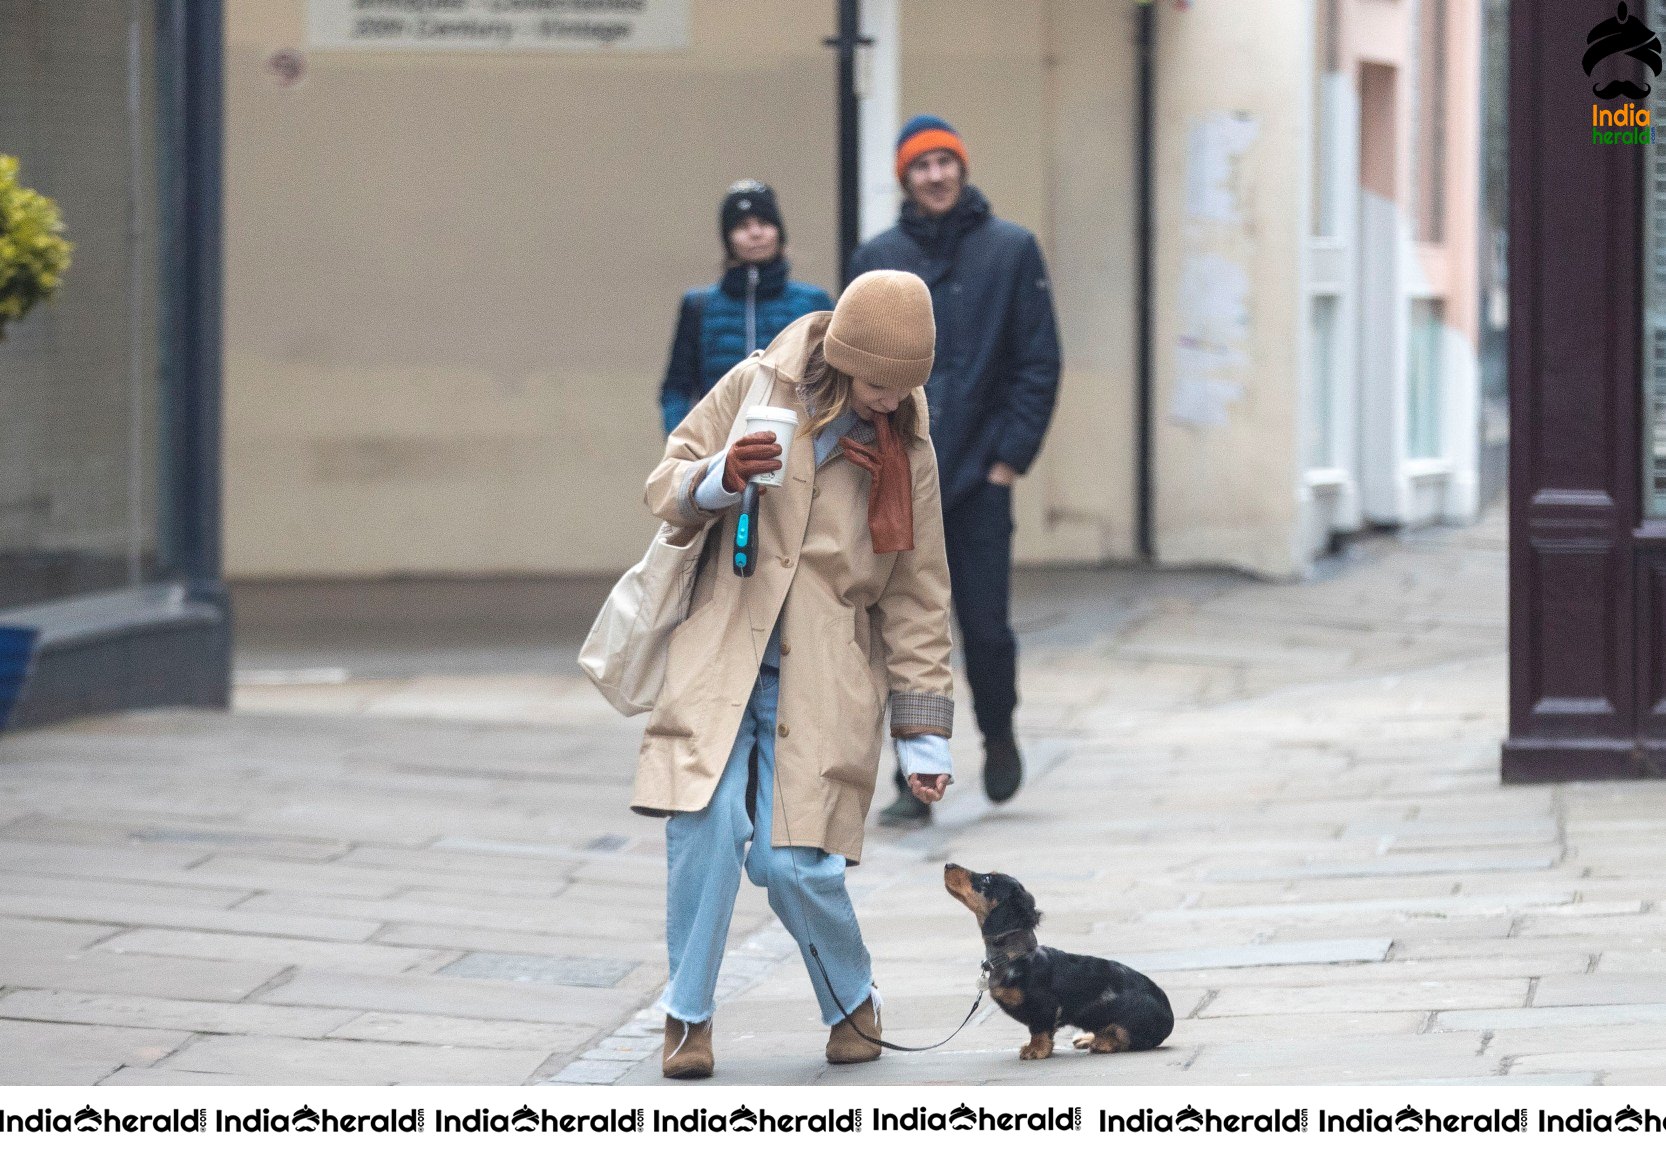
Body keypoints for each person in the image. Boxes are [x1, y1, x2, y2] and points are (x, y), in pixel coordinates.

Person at [635, 271, 956, 1079]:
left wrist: (924, 734)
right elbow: (664, 481)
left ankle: (853, 1002)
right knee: (703, 830)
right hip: (722, 653)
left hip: (826, 671)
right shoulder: (755, 384)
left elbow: (918, 592)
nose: (891, 400)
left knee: (795, 862)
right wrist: (720, 476)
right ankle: (688, 1017)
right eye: (880, 382)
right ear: (846, 356)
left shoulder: (906, 444)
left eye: (907, 385)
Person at [849, 115, 1061, 826]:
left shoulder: (1011, 250)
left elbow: (1038, 362)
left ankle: (998, 731)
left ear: (962, 169)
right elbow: (847, 362)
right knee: (908, 631)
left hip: (978, 479)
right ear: (904, 177)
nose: (935, 174)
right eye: (921, 164)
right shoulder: (877, 256)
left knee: (986, 628)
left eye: (946, 161)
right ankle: (918, 775)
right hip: (896, 478)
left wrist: (1008, 461)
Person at [659, 180, 836, 436]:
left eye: (764, 224)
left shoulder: (813, 302)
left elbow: (833, 384)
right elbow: (676, 388)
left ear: (778, 232)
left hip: (796, 444)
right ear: (728, 240)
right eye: (742, 226)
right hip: (718, 449)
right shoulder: (698, 305)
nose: (755, 233)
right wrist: (685, 444)